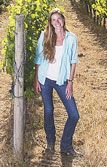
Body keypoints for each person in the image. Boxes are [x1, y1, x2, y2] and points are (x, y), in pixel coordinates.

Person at [34, 9, 80, 156]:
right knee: (48, 111)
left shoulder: (71, 38)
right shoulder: (45, 35)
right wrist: (36, 79)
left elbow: (73, 62)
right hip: (45, 79)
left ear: (63, 19)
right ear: (50, 22)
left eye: (58, 19)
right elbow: (38, 59)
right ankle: (50, 143)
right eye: (53, 20)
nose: (56, 22)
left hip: (61, 81)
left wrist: (70, 82)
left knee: (74, 115)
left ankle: (65, 145)